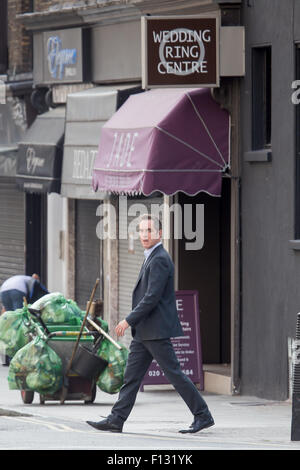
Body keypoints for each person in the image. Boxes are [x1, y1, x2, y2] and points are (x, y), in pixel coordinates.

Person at [87, 214, 214, 434]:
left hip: (154, 331)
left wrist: (128, 320)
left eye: (149, 231)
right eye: (142, 231)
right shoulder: (150, 256)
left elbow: (151, 297)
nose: (144, 235)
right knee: (131, 377)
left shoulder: (160, 259)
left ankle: (202, 415)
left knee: (174, 374)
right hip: (144, 332)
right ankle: (116, 419)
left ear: (160, 234)